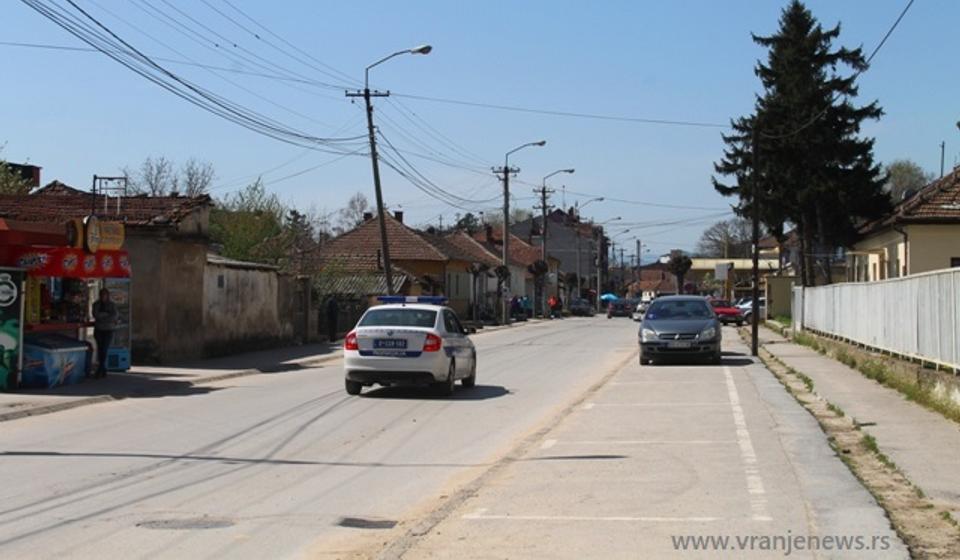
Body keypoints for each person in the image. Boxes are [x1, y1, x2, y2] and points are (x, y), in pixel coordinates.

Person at [91, 288, 118, 378]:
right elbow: (96, 315)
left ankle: (100, 369)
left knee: (105, 349)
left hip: (108, 330)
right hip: (99, 329)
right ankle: (102, 369)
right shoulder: (96, 304)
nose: (103, 297)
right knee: (100, 348)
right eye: (102, 295)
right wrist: (106, 315)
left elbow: (114, 316)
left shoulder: (112, 305)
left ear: (107, 296)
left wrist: (104, 316)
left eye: (105, 295)